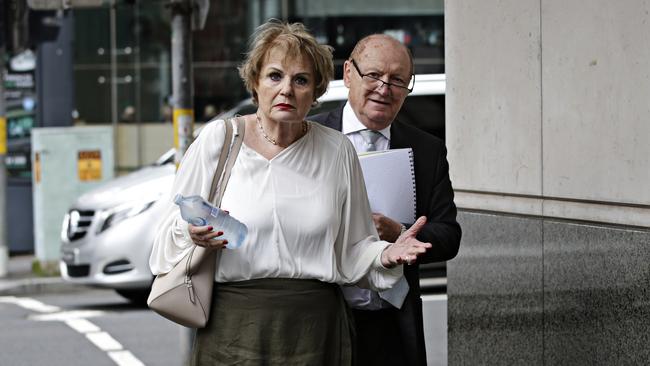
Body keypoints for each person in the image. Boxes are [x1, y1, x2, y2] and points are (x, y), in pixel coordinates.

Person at [149, 21, 433, 365]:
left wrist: (384, 255)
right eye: (274, 76)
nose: (286, 89)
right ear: (255, 82)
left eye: (301, 80)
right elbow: (164, 240)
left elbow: (354, 250)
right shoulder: (219, 141)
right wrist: (192, 234)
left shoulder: (337, 150)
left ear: (315, 92)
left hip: (317, 330)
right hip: (235, 327)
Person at [311, 34, 462, 366]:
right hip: (325, 320)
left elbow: (449, 234)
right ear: (348, 72)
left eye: (397, 80)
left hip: (393, 323)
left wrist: (400, 232)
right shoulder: (310, 137)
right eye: (374, 75)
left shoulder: (427, 149)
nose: (384, 88)